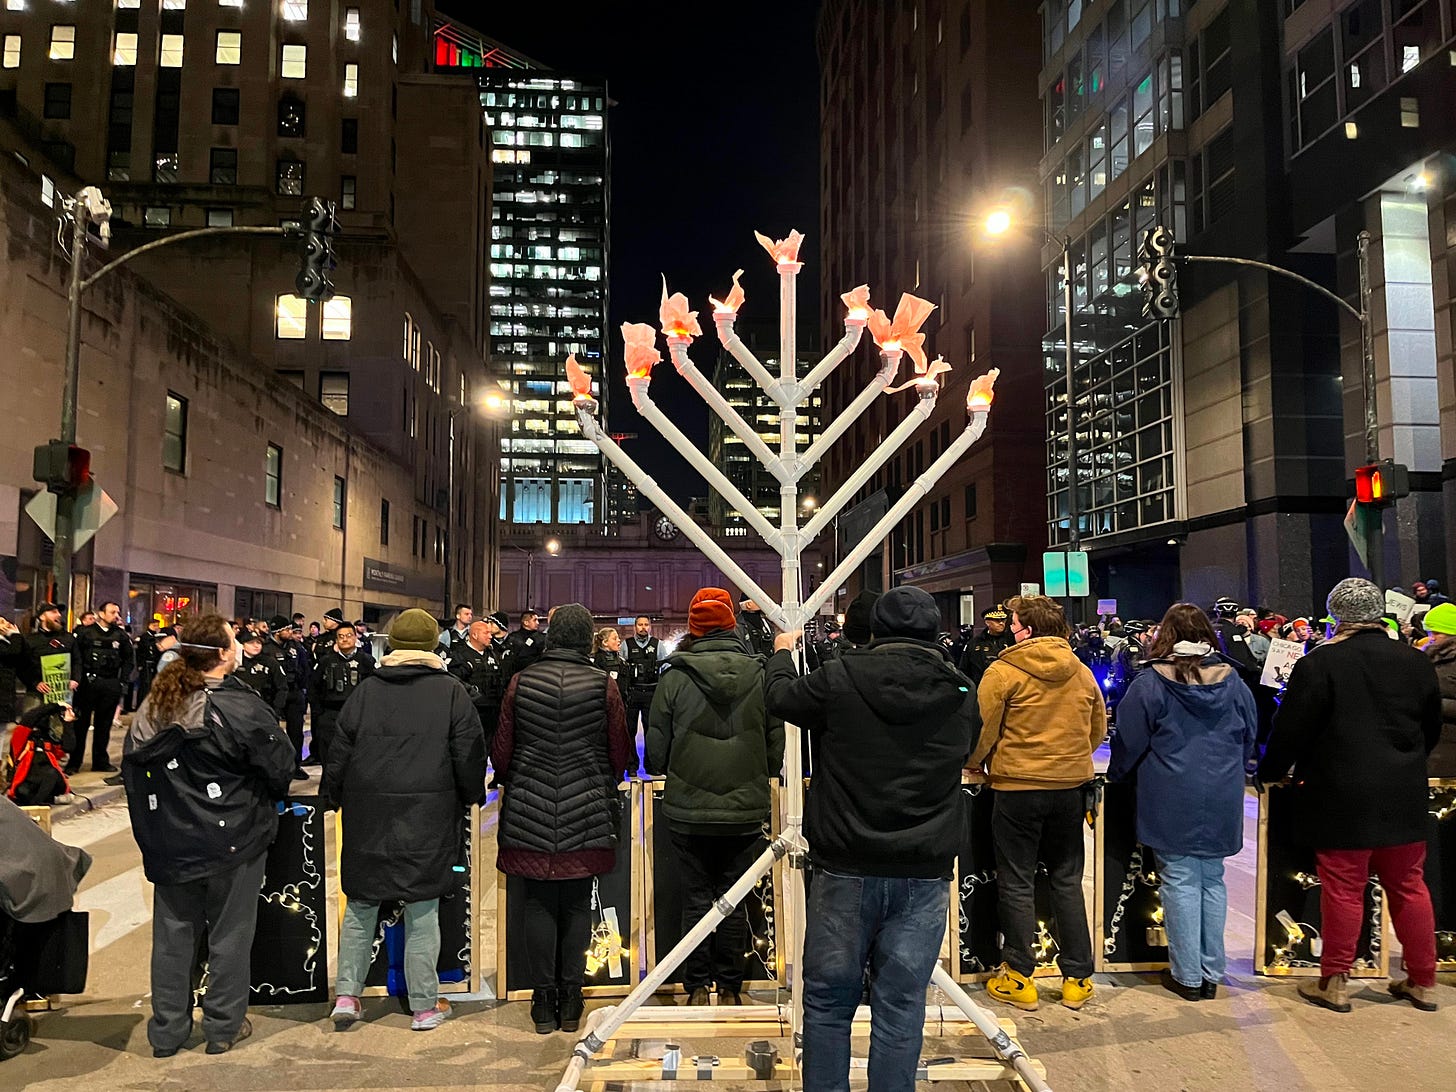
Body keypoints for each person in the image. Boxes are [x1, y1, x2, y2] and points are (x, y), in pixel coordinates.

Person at [763, 585, 978, 1092]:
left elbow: (780, 699)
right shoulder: (960, 689)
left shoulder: (841, 677)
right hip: (923, 870)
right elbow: (969, 746)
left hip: (845, 866)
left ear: (877, 630)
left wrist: (780, 655)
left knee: (828, 1002)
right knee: (902, 1005)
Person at [1257, 577, 1441, 1014]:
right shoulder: (1415, 661)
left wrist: (1270, 771)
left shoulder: (1322, 663)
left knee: (1343, 887)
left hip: (1339, 790)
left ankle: (1336, 980)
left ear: (1337, 615)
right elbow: (1429, 727)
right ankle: (1422, 980)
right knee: (1409, 886)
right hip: (1403, 790)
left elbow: (1292, 728)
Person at [121, 614, 295, 1057]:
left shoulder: (155, 706)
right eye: (233, 641)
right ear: (221, 654)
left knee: (173, 938)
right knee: (230, 937)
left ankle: (167, 1032)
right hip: (233, 838)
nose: (237, 647)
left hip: (170, 841)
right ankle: (222, 1026)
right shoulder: (241, 706)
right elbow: (280, 766)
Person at [323, 608, 486, 1033]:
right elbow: (470, 752)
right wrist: (473, 795)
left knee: (361, 906)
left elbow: (338, 749)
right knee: (422, 907)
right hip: (428, 815)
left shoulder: (366, 690)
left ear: (392, 645)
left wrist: (332, 796)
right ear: (434, 646)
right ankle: (424, 1006)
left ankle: (347, 995)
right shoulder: (451, 692)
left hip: (367, 813)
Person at [493, 603, 633, 1035]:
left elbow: (501, 748)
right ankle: (571, 999)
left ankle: (541, 1001)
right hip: (587, 806)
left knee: (536, 902)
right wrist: (607, 776)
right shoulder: (601, 685)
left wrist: (510, 777)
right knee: (576, 903)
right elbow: (620, 749)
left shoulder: (522, 680)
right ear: (587, 636)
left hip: (529, 805)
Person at [1106, 604, 1257, 1001]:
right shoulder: (1234, 681)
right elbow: (1249, 733)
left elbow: (1129, 740)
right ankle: (1212, 969)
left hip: (1170, 791)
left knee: (1180, 879)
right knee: (1213, 878)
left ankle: (1188, 974)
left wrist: (1118, 776)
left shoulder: (1151, 682)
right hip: (1222, 791)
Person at [646, 588, 784, 1006]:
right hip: (745, 810)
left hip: (689, 810)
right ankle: (730, 986)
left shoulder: (674, 677)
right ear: (732, 625)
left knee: (695, 900)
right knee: (735, 899)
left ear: (692, 628)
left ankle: (696, 986)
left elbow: (655, 754)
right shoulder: (760, 674)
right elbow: (775, 745)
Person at [970, 595, 1106, 1012]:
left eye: (1013, 621)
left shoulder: (1003, 671)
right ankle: (1078, 978)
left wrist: (976, 764)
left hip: (1016, 788)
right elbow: (1097, 728)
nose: (1010, 626)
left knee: (1017, 880)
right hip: (1069, 789)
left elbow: (983, 729)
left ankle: (1019, 976)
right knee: (1067, 879)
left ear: (1025, 628)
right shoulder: (1081, 673)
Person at [70, 601, 133, 775]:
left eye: (117, 613)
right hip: (87, 684)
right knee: (80, 725)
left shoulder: (120, 635)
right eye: (113, 612)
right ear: (101, 613)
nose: (116, 616)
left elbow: (129, 660)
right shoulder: (85, 633)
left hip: (110, 683)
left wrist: (122, 681)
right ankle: (74, 761)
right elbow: (76, 657)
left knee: (104, 725)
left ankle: (100, 761)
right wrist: (77, 678)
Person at [308, 621, 375, 768]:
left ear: (355, 637)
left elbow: (374, 689)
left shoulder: (367, 661)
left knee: (356, 761)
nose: (345, 639)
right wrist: (318, 713)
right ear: (336, 640)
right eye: (341, 636)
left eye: (349, 635)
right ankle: (327, 791)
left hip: (358, 716)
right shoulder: (326, 661)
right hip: (330, 715)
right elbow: (313, 687)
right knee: (330, 760)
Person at [446, 620, 507, 752]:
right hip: (472, 711)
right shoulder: (460, 655)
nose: (490, 636)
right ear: (474, 635)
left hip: (493, 712)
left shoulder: (493, 654)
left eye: (490, 633)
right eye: (486, 633)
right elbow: (454, 681)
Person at [265, 616, 310, 775]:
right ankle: (273, 765)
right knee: (271, 731)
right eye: (287, 629)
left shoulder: (296, 647)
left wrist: (303, 689)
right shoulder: (266, 648)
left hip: (294, 692)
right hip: (274, 695)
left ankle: (295, 765)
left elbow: (305, 668)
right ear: (277, 631)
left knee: (296, 732)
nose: (290, 632)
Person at [1419, 602, 1456, 776]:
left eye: (1436, 632)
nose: (1431, 638)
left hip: (1449, 744)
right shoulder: (1425, 658)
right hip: (1433, 745)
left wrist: (1434, 705)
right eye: (1428, 632)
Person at [19, 602, 78, 712]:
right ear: (42, 616)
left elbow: (77, 661)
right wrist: (35, 683)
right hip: (36, 695)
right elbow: (22, 666)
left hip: (62, 695)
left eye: (59, 612)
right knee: (31, 726)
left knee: (60, 728)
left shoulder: (68, 638)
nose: (59, 615)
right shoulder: (29, 640)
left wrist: (75, 679)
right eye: (53, 612)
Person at [622, 616, 661, 762]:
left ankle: (651, 764)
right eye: (640, 624)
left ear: (650, 626)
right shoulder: (626, 645)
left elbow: (665, 666)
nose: (643, 627)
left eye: (646, 624)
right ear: (635, 627)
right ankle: (631, 764)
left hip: (651, 692)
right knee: (629, 730)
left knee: (651, 730)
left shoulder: (658, 645)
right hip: (632, 692)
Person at [957, 604, 1015, 689]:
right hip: (981, 688)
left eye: (1003, 620)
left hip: (1007, 687)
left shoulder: (1012, 640)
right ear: (987, 622)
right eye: (997, 620)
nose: (1001, 623)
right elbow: (964, 669)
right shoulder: (975, 643)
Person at [236, 630, 287, 718]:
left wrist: (276, 709)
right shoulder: (235, 663)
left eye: (258, 642)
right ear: (243, 645)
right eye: (251, 643)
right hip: (241, 710)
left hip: (266, 708)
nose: (256, 646)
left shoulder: (270, 662)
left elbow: (282, 687)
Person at [504, 609, 546, 678]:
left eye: (538, 620)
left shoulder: (542, 638)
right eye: (534, 620)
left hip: (536, 674)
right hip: (516, 674)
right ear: (526, 622)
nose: (538, 623)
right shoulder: (513, 638)